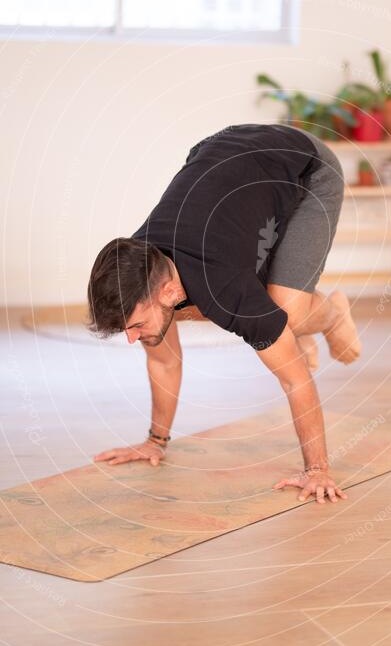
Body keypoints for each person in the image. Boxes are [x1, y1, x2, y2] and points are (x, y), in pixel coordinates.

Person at [86, 123, 361, 505]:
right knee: (186, 316)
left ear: (167, 290)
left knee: (286, 313)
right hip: (219, 152)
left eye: (133, 326)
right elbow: (164, 363)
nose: (131, 338)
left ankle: (330, 315)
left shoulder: (223, 287)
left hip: (305, 167)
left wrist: (317, 470)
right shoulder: (140, 267)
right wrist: (155, 442)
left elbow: (295, 381)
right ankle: (288, 330)